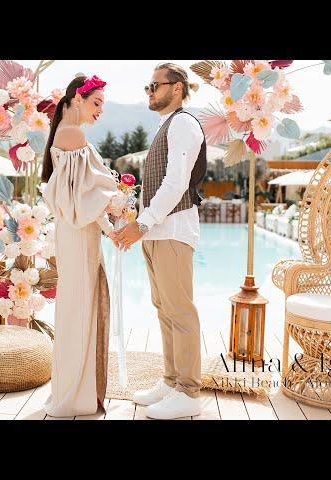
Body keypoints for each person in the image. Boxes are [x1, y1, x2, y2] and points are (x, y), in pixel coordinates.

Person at [113, 63, 207, 419]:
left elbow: (175, 183)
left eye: (155, 85)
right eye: (147, 86)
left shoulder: (182, 123)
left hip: (173, 232)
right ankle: (171, 382)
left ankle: (188, 391)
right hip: (158, 232)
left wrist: (143, 223)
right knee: (165, 309)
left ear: (178, 88)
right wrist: (139, 222)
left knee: (180, 311)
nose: (149, 92)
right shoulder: (167, 125)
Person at [41, 74, 118, 417]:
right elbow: (86, 196)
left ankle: (73, 388)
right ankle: (76, 394)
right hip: (78, 231)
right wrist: (116, 211)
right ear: (75, 99)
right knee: (81, 304)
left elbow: (85, 192)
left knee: (76, 305)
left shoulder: (66, 134)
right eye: (96, 102)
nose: (100, 110)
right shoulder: (73, 135)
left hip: (76, 231)